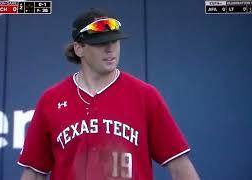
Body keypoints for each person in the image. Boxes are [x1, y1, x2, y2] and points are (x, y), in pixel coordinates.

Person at [18, 8, 200, 180]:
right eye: (100, 43)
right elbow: (34, 172)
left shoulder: (144, 95)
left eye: (114, 41)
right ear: (79, 48)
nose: (110, 49)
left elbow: (179, 166)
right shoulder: (52, 100)